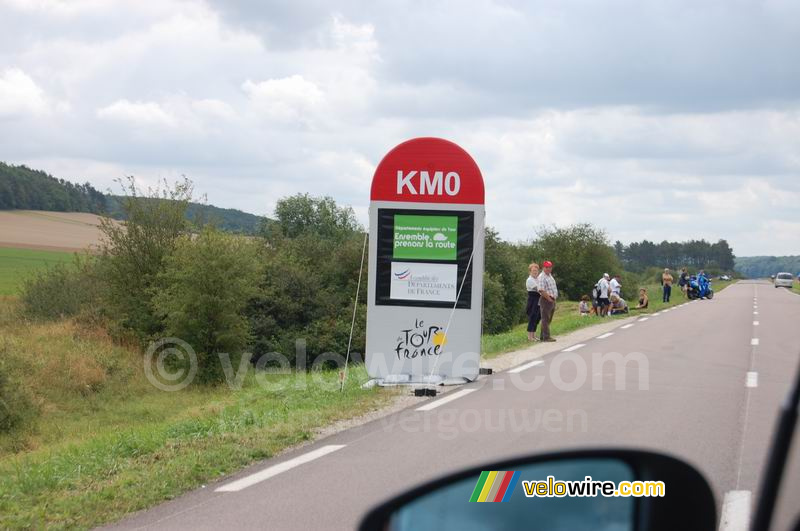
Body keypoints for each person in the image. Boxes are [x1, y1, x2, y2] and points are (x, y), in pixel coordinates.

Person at [537, 260, 558, 342]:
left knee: (548, 319)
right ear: (543, 268)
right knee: (545, 319)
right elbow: (541, 290)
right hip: (546, 299)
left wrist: (553, 299)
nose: (548, 269)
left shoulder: (549, 275)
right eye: (547, 267)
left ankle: (542, 336)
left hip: (551, 299)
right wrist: (549, 299)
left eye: (550, 267)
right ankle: (546, 337)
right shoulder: (542, 276)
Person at [525, 263, 541, 341]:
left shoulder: (537, 279)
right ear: (530, 272)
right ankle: (530, 337)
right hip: (533, 300)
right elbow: (539, 289)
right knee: (532, 317)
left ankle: (534, 335)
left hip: (538, 299)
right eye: (533, 270)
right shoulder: (530, 280)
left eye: (536, 270)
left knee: (537, 317)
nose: (535, 272)